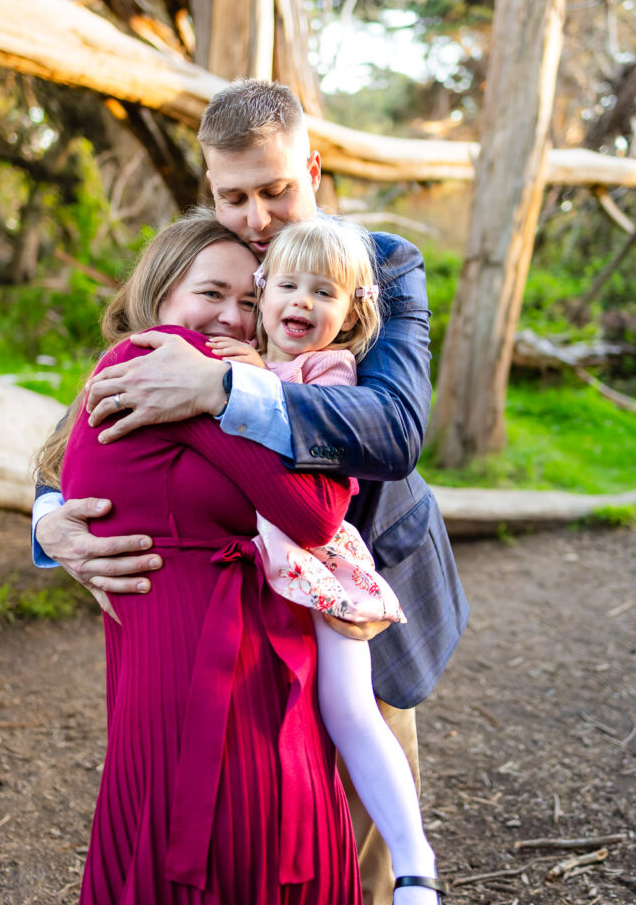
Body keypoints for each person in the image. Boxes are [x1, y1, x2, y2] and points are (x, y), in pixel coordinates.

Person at [33, 79, 469, 905]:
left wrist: (224, 392)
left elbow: (394, 426)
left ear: (310, 166)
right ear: (210, 190)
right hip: (233, 616)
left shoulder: (377, 263)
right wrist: (51, 518)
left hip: (355, 591)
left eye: (275, 189)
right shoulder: (205, 272)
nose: (257, 217)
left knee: (358, 836)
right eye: (233, 196)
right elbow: (81, 426)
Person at [36, 210, 362, 903]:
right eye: (210, 294)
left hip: (220, 644)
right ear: (157, 296)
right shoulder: (164, 366)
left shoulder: (190, 373)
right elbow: (313, 512)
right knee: (225, 832)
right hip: (205, 659)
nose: (235, 318)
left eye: (249, 301)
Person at [209, 216, 445, 903]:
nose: (300, 303)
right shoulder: (245, 346)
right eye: (285, 286)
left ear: (351, 315)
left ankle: (411, 861)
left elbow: (331, 418)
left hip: (314, 554)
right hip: (255, 563)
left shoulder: (326, 367)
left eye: (322, 293)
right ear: (260, 289)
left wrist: (240, 382)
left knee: (346, 706)